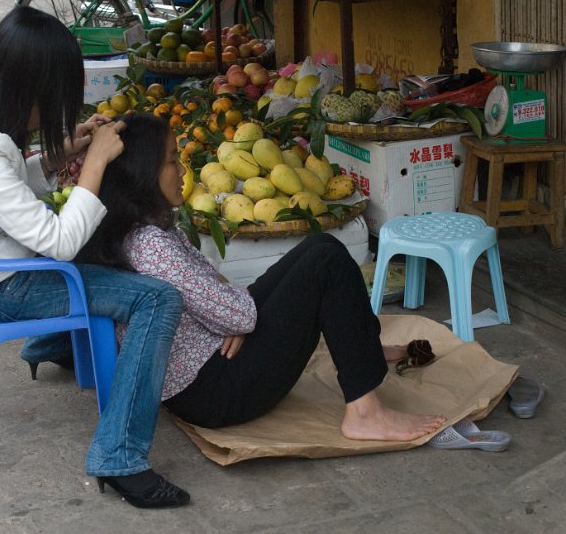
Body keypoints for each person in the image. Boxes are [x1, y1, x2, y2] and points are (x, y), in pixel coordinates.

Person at [0, 7, 190, 509]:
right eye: (52, 99)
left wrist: (64, 151)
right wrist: (97, 162)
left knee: (101, 247)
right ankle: (119, 458)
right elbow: (57, 243)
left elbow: (3, 185)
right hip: (2, 288)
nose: (49, 111)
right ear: (30, 87)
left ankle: (49, 345)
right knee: (158, 299)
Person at [73, 112, 447, 441]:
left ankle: (361, 348)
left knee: (316, 248)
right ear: (142, 173)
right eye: (173, 160)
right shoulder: (151, 246)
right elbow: (238, 313)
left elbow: (217, 288)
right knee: (326, 260)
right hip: (216, 390)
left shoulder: (136, 229)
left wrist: (230, 316)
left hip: (209, 360)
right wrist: (233, 320)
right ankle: (365, 412)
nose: (183, 170)